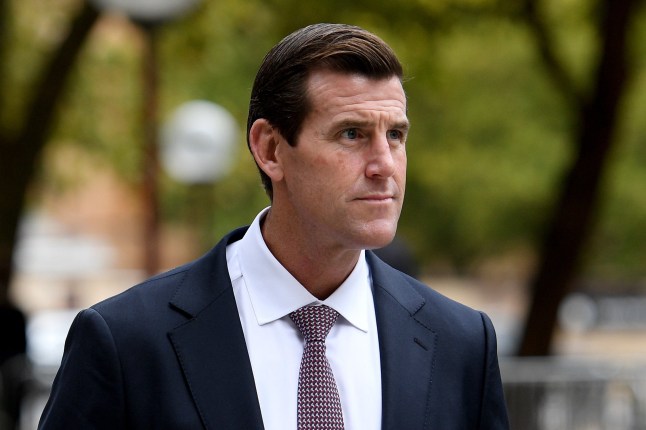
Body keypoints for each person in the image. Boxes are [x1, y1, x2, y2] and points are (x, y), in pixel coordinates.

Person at [38, 23, 509, 429]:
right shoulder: (127, 342)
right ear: (270, 149)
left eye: (396, 135)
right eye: (352, 134)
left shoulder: (463, 343)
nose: (385, 164)